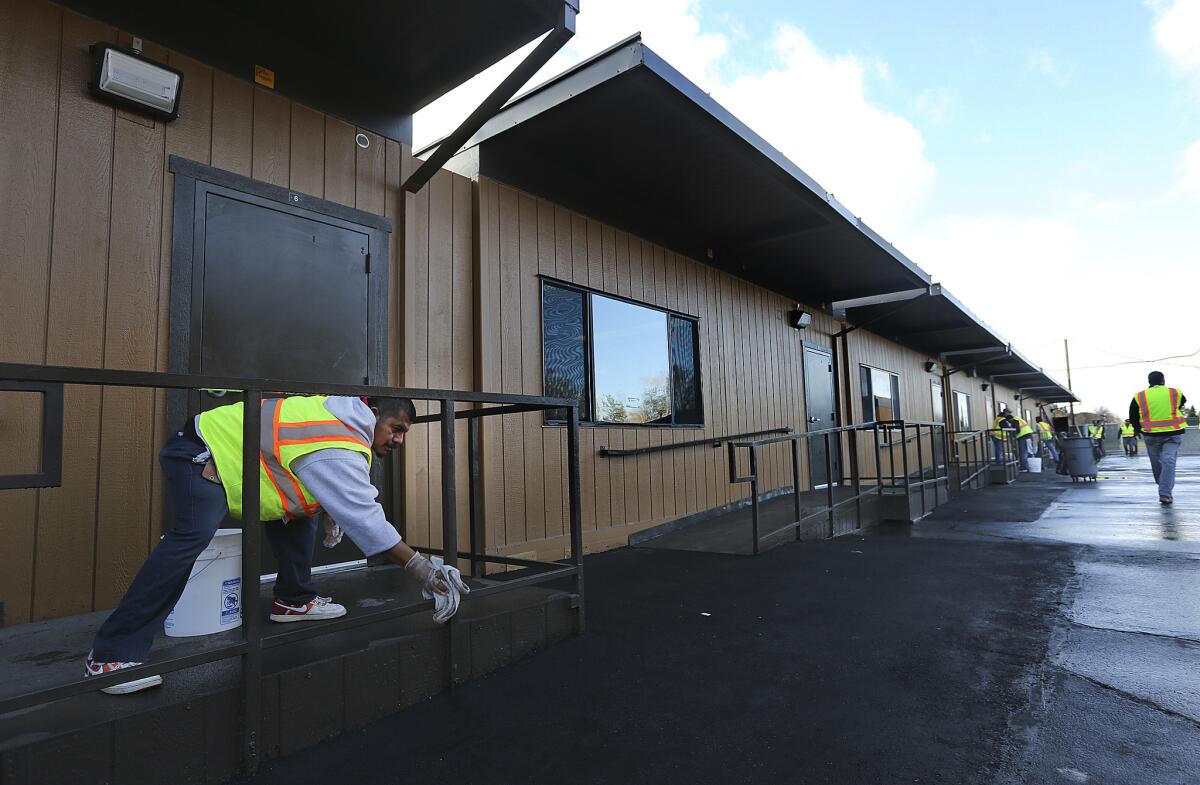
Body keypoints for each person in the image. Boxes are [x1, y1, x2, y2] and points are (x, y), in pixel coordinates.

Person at [85, 394, 454, 694]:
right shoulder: (338, 439)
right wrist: (424, 570)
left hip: (246, 462)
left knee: (296, 512)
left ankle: (293, 600)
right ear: (372, 414)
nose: (399, 440)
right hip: (201, 454)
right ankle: (110, 656)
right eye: (396, 429)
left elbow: (304, 464)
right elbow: (367, 519)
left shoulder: (338, 420)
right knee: (188, 541)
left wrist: (328, 506)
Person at [1130, 371, 1188, 504]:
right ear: (1163, 380)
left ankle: (1164, 492)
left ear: (1149, 381)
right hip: (1173, 432)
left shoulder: (1139, 396)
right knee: (1168, 462)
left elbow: (1133, 414)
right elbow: (1181, 402)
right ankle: (1164, 488)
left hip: (1152, 435)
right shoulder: (1174, 392)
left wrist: (1137, 429)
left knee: (1158, 463)